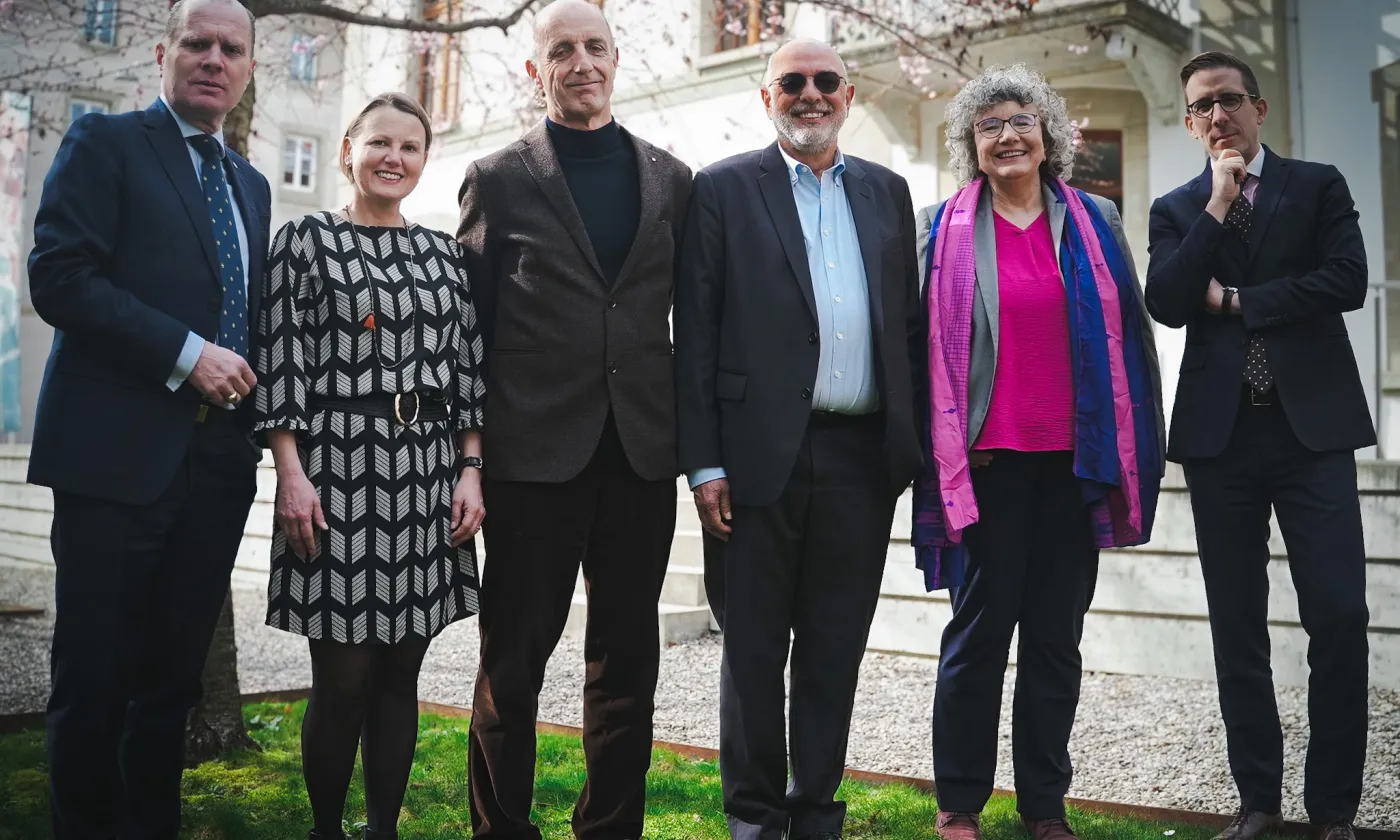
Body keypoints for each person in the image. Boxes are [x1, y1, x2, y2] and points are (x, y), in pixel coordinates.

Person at [25, 0, 269, 836]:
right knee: (93, 686)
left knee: (169, 691)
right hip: (114, 462)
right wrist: (186, 353)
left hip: (215, 473)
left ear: (246, 69)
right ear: (163, 54)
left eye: (229, 49)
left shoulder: (252, 184)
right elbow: (59, 277)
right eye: (195, 43)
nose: (212, 58)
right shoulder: (106, 143)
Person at [454, 1, 693, 837]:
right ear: (536, 70)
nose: (582, 61)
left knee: (628, 662)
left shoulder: (671, 177)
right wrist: (469, 458)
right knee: (511, 663)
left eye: (595, 46)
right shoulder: (500, 178)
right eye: (563, 50)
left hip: (639, 454)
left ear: (617, 58)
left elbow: (684, 320)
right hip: (530, 458)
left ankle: (610, 827)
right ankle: (501, 827)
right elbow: (469, 332)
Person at [674, 38, 922, 840]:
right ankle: (753, 818)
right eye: (793, 83)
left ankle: (816, 813)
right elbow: (696, 334)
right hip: (751, 459)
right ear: (766, 96)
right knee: (751, 650)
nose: (809, 95)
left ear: (847, 96)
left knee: (833, 649)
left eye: (825, 83)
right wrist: (704, 461)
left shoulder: (888, 192)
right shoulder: (720, 190)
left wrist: (907, 448)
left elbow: (907, 329)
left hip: (860, 458)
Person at [912, 63, 1165, 840]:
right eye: (989, 126)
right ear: (972, 144)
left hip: (1074, 461)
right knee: (979, 634)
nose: (1007, 136)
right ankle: (959, 801)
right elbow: (918, 350)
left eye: (1021, 120)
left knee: (1056, 638)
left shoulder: (1095, 218)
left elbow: (1134, 340)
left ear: (1047, 133)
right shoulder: (940, 226)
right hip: (988, 463)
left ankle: (1044, 806)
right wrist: (945, 448)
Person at [1145, 51, 1371, 840]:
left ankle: (1335, 809)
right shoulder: (1177, 210)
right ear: (1188, 121)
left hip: (1313, 434)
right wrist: (1216, 204)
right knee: (1236, 625)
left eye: (1229, 101)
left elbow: (1346, 279)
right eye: (1201, 107)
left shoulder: (1318, 185)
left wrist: (1241, 301)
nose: (1218, 117)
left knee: (1340, 614)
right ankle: (1258, 804)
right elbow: (1169, 302)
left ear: (1259, 107)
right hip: (1222, 442)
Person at [250, 92, 485, 840]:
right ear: (348, 148)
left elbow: (467, 366)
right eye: (379, 143)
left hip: (426, 476)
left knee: (399, 675)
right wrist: (290, 470)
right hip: (336, 475)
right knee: (345, 676)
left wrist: (470, 467)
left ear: (423, 161)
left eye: (410, 148)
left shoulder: (444, 252)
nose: (394, 158)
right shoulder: (306, 240)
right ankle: (327, 829)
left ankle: (382, 828)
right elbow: (282, 359)